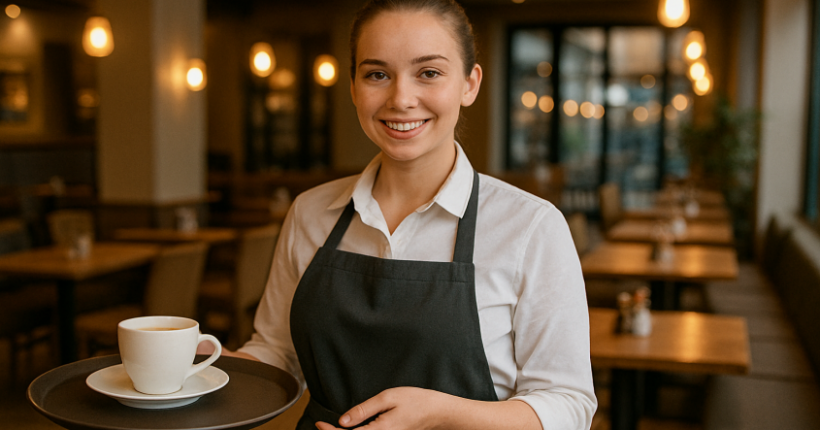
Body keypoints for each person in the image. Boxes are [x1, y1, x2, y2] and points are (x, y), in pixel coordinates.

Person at [219, 0, 597, 428]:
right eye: (377, 74)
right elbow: (278, 353)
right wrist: (219, 370)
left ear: (469, 85)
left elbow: (569, 406)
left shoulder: (531, 227)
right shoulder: (310, 212)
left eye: (429, 73)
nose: (401, 98)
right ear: (354, 87)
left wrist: (442, 415)